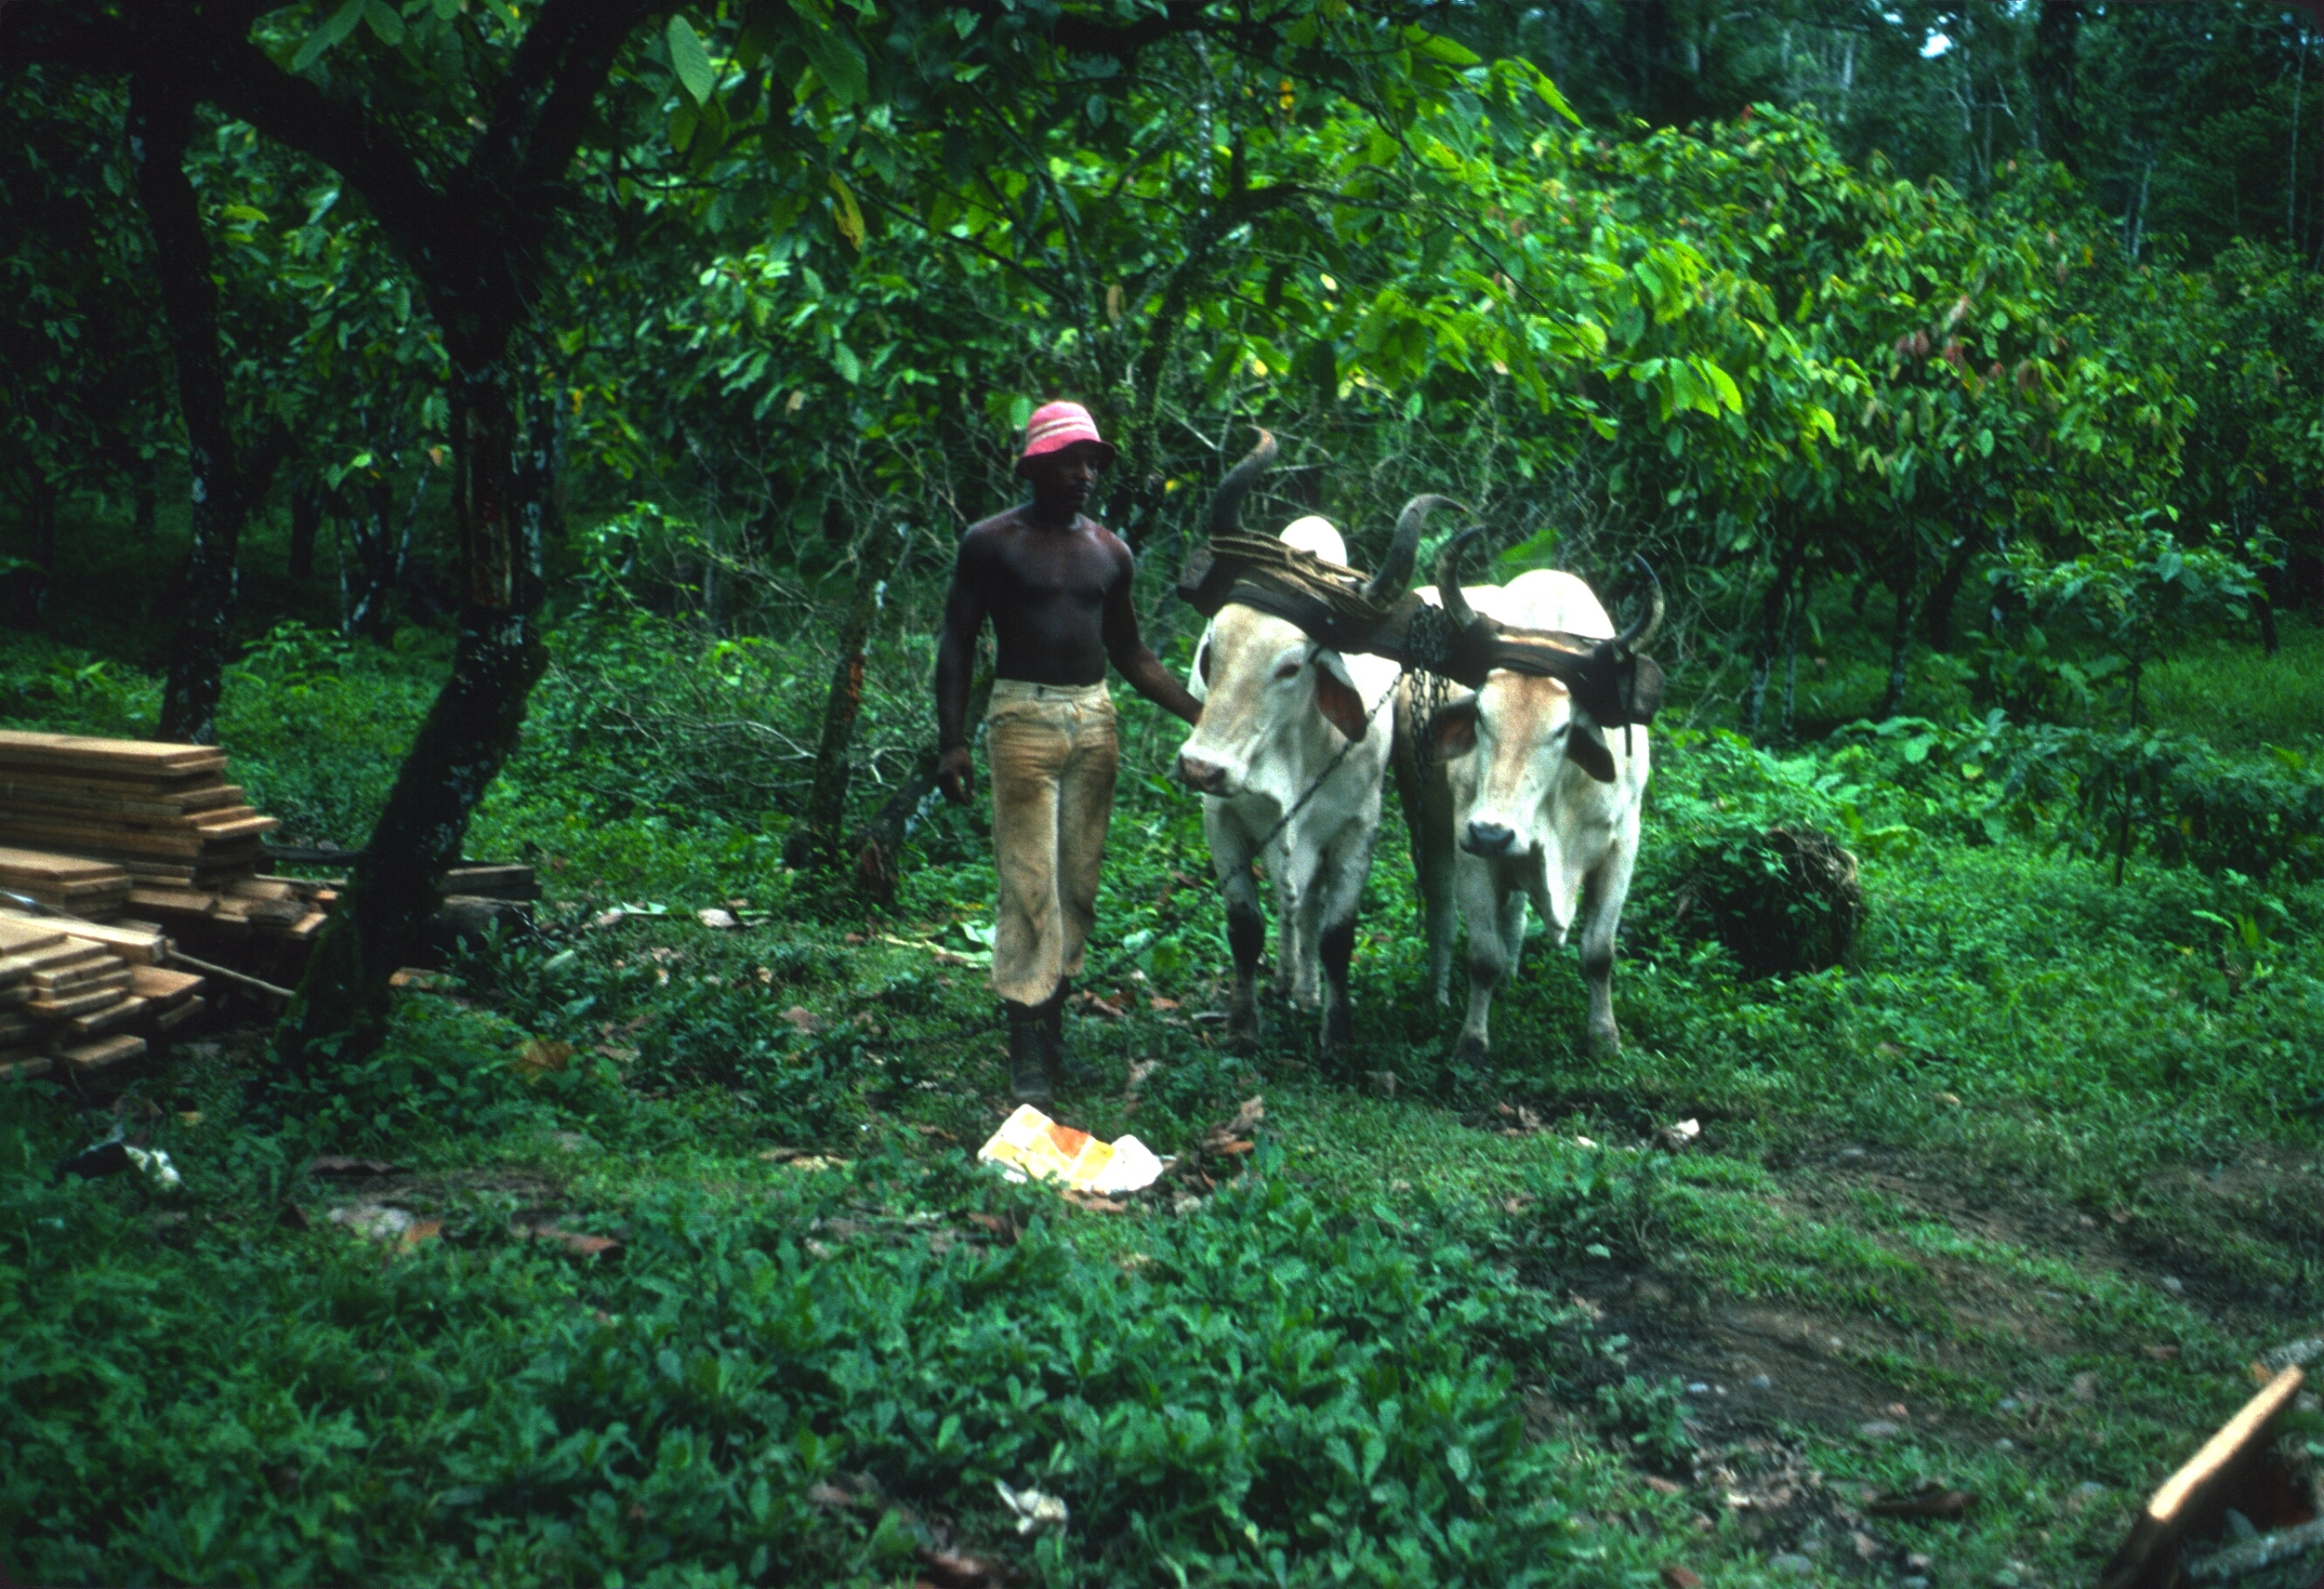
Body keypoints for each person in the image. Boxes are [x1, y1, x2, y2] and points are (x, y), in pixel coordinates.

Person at [935, 402, 1203, 1104]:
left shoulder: (1110, 551)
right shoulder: (992, 542)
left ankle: (1054, 1040)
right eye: (1069, 462)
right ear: (1036, 467)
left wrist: (1202, 717)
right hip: (1022, 717)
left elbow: (1132, 653)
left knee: (1077, 886)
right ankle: (1025, 1054)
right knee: (1030, 885)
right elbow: (957, 640)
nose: (1084, 474)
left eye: (1091, 462)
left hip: (1094, 720)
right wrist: (954, 740)